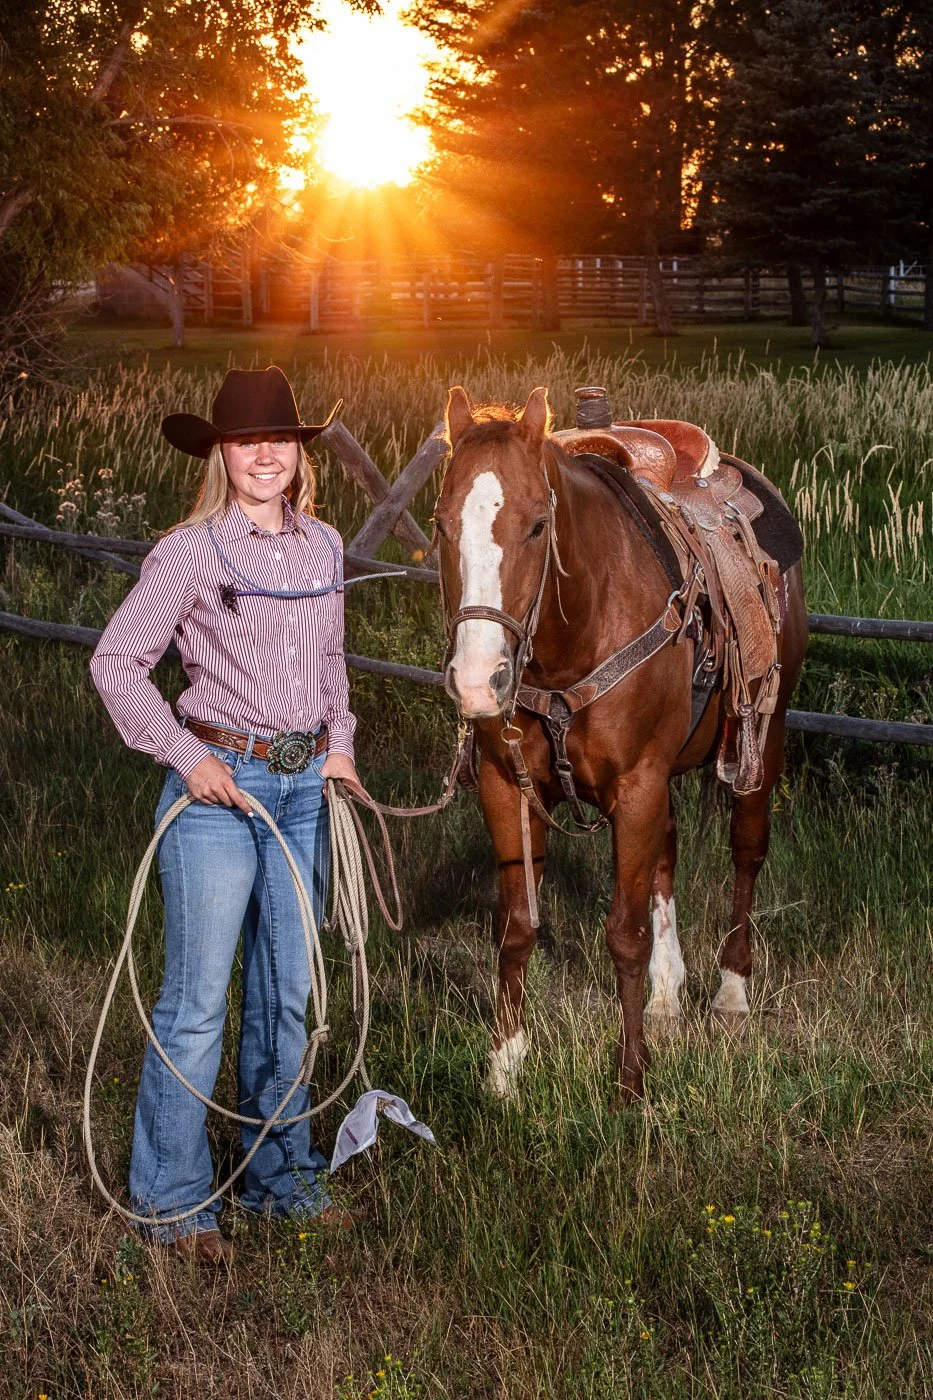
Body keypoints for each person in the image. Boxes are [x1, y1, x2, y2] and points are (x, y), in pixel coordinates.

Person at [90, 366, 359, 1263]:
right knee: (198, 1003)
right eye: (247, 442)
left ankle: (280, 1178)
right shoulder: (190, 553)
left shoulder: (324, 546)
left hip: (299, 789)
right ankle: (170, 1202)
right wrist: (186, 756)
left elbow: (331, 671)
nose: (265, 456)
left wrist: (341, 746)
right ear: (222, 454)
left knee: (287, 998)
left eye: (279, 440)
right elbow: (118, 662)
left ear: (297, 452)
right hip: (216, 789)